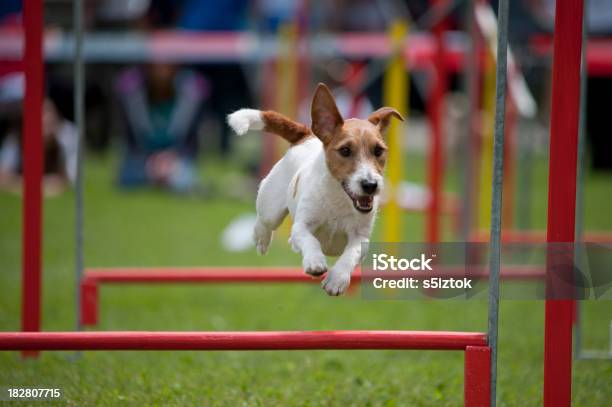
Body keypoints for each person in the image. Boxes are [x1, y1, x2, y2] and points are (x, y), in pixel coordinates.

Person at [114, 63, 208, 192]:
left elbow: (192, 142)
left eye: (166, 65)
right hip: (142, 158)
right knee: (128, 177)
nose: (161, 71)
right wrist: (151, 163)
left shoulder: (191, 91)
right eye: (156, 66)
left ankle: (163, 177)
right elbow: (130, 141)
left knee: (185, 178)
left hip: (177, 157)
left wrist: (171, 159)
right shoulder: (133, 90)